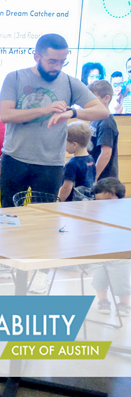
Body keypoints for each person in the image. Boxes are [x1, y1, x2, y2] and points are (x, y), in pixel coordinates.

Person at [0, 33, 110, 209]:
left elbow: (102, 111)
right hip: (15, 158)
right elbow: (5, 115)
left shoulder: (69, 82)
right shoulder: (15, 77)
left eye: (62, 62)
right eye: (52, 62)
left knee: (45, 218)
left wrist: (72, 112)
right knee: (9, 215)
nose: (57, 67)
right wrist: (45, 109)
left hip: (50, 164)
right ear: (37, 57)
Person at [90, 178, 130, 316]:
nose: (103, 205)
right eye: (98, 201)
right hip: (100, 253)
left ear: (120, 198)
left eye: (108, 201)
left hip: (120, 255)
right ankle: (103, 300)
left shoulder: (125, 212)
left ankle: (124, 303)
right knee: (99, 279)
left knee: (122, 281)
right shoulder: (94, 212)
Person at [88, 80, 119, 181]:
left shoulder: (106, 123)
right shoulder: (96, 118)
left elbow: (106, 153)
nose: (90, 102)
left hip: (104, 180)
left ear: (106, 98)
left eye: (93, 98)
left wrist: (93, 177)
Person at [59, 122, 95, 202]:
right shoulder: (91, 159)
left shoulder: (72, 164)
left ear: (74, 144)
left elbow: (66, 187)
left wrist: (60, 201)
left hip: (73, 203)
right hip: (88, 200)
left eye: (65, 142)